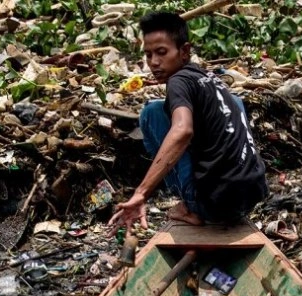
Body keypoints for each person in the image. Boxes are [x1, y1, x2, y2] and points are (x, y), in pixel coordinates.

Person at [107, 11, 269, 236]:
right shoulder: (209, 79)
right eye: (148, 54)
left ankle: (191, 205)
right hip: (253, 194)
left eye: (162, 53)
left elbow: (182, 131)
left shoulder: (178, 81)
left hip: (216, 207)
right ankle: (207, 196)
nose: (154, 62)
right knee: (234, 102)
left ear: (184, 51)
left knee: (151, 113)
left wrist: (141, 193)